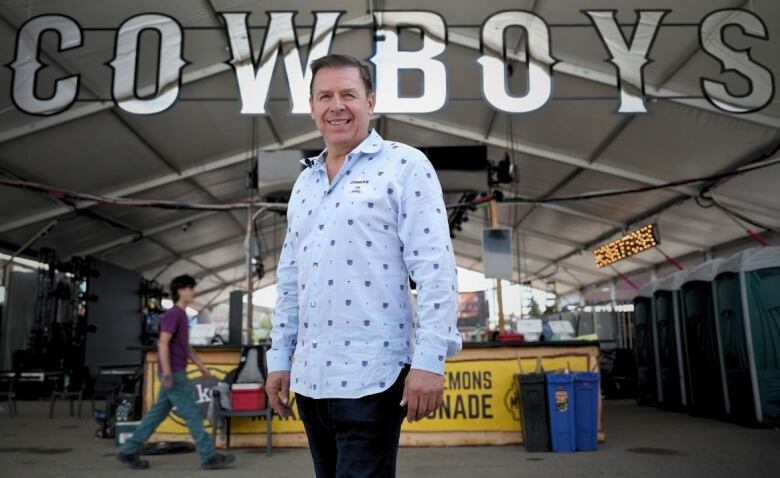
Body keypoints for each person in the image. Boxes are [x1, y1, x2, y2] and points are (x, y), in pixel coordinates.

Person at [266, 54, 462, 478]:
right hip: (312, 378)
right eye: (325, 96)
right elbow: (289, 278)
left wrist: (430, 361)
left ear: (371, 101)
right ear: (313, 106)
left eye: (348, 94)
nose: (337, 105)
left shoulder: (405, 165)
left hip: (373, 375)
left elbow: (436, 269)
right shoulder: (305, 182)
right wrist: (279, 357)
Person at [117, 274, 234, 470]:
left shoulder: (181, 314)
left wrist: (201, 367)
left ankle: (129, 450)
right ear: (181, 290)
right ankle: (208, 456)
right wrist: (168, 373)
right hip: (174, 375)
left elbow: (185, 347)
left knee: (156, 414)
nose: (193, 291)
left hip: (174, 373)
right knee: (193, 415)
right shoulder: (174, 314)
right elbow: (163, 343)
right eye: (190, 288)